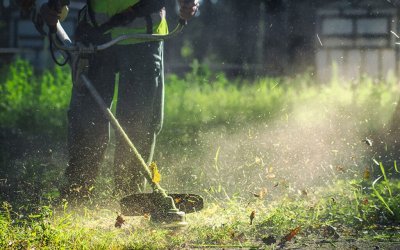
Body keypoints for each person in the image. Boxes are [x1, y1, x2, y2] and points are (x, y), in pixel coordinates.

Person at [38, 0, 199, 201]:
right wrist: (55, 5)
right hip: (96, 37)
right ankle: (77, 193)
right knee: (88, 120)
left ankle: (130, 197)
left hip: (143, 37)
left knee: (138, 122)